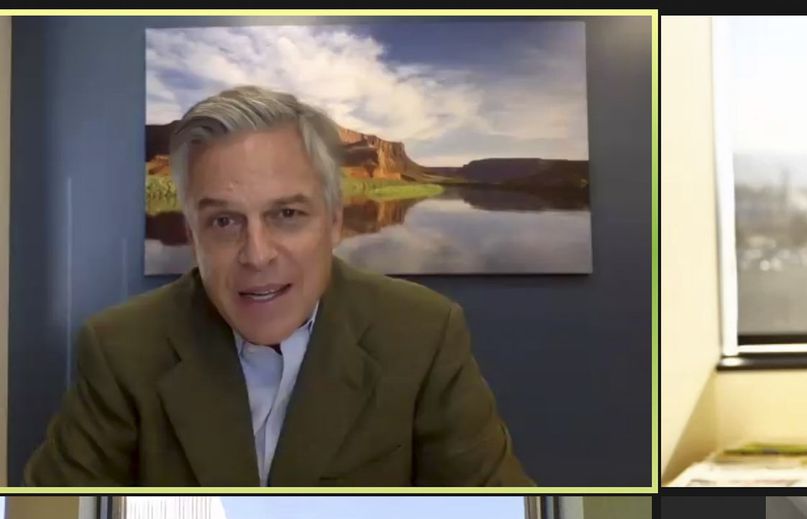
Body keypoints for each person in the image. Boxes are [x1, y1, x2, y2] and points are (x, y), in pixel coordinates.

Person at [25, 85, 529, 487]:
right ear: (192, 231)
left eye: (287, 214)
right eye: (224, 221)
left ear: (334, 222)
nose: (257, 254)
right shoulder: (120, 348)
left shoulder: (423, 333)